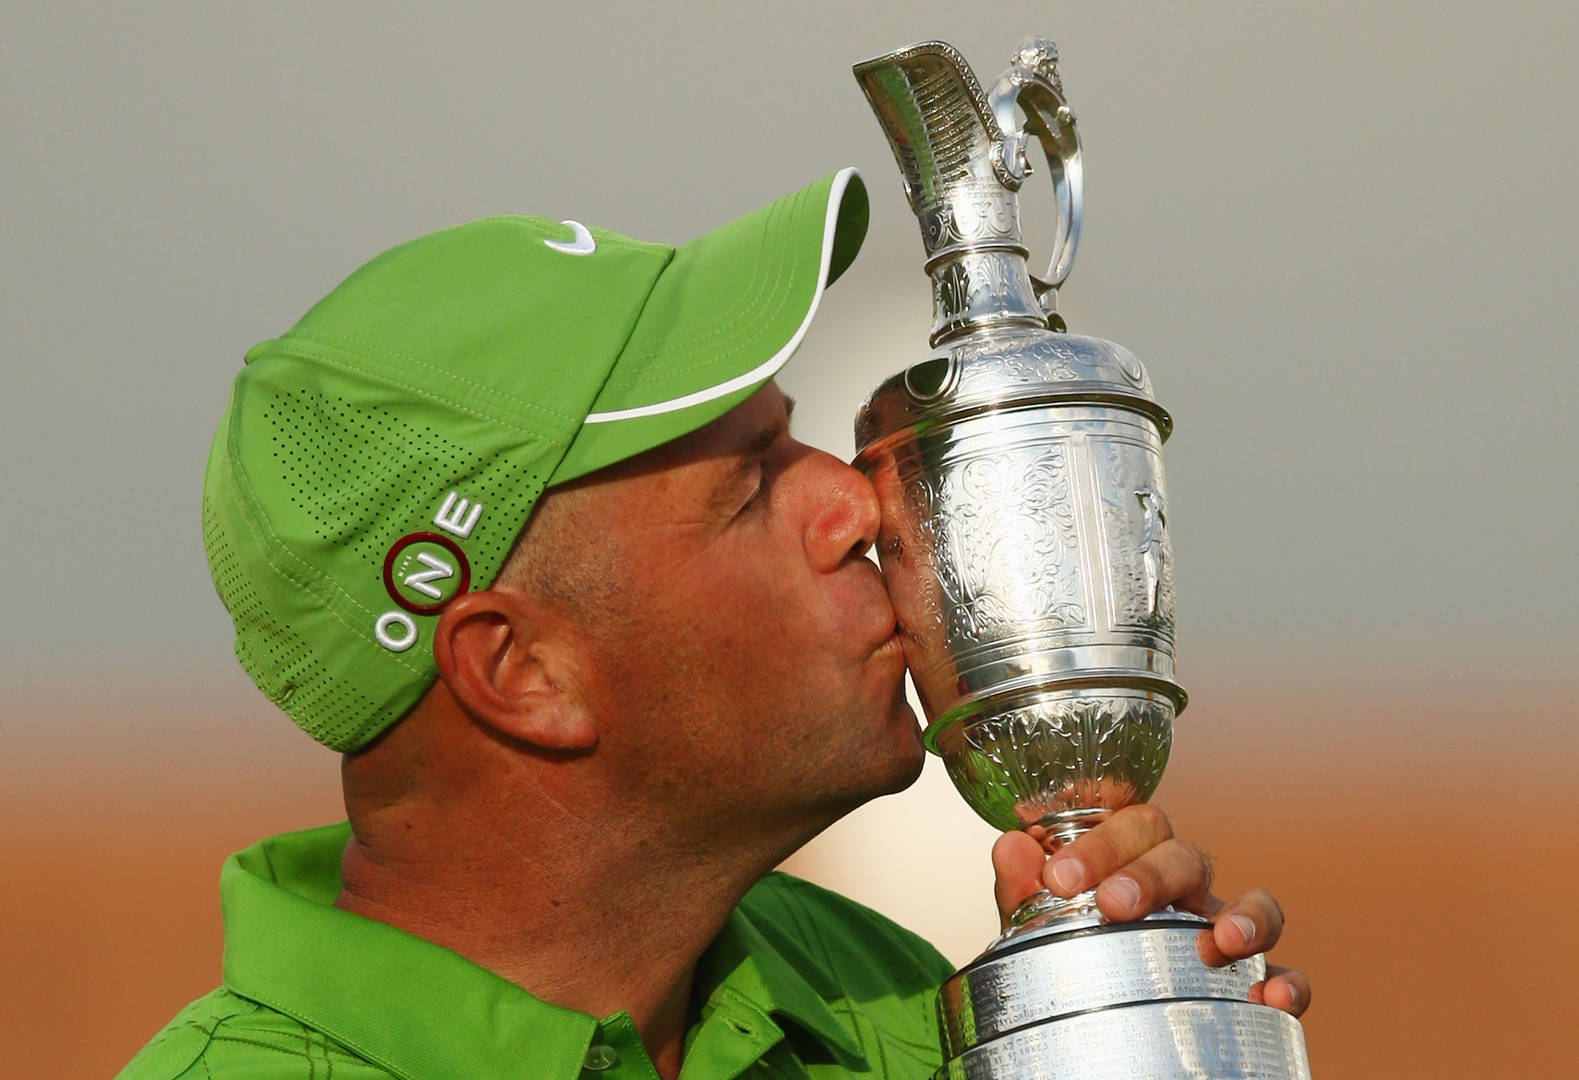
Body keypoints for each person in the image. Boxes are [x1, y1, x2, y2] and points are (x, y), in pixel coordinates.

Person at [118, 168, 1307, 1080]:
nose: (855, 500)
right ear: (522, 669)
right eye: (751, 481)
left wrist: (1111, 1013)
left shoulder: (874, 999)